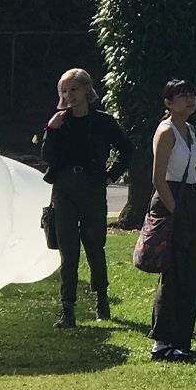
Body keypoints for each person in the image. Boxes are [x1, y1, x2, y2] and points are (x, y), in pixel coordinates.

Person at [40, 69, 134, 328]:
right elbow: (48, 156)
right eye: (63, 91)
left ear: (86, 90)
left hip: (92, 187)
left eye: (72, 90)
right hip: (64, 189)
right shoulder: (59, 121)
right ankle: (67, 309)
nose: (67, 96)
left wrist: (110, 176)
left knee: (95, 246)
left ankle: (101, 300)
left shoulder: (103, 121)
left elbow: (128, 149)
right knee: (68, 253)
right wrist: (51, 128)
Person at [148, 79, 196, 361]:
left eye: (192, 93)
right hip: (171, 200)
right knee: (171, 272)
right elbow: (158, 179)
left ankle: (182, 338)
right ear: (168, 103)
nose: (189, 99)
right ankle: (162, 341)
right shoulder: (167, 132)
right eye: (181, 95)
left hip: (191, 199)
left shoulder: (190, 131)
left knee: (190, 271)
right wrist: (175, 212)